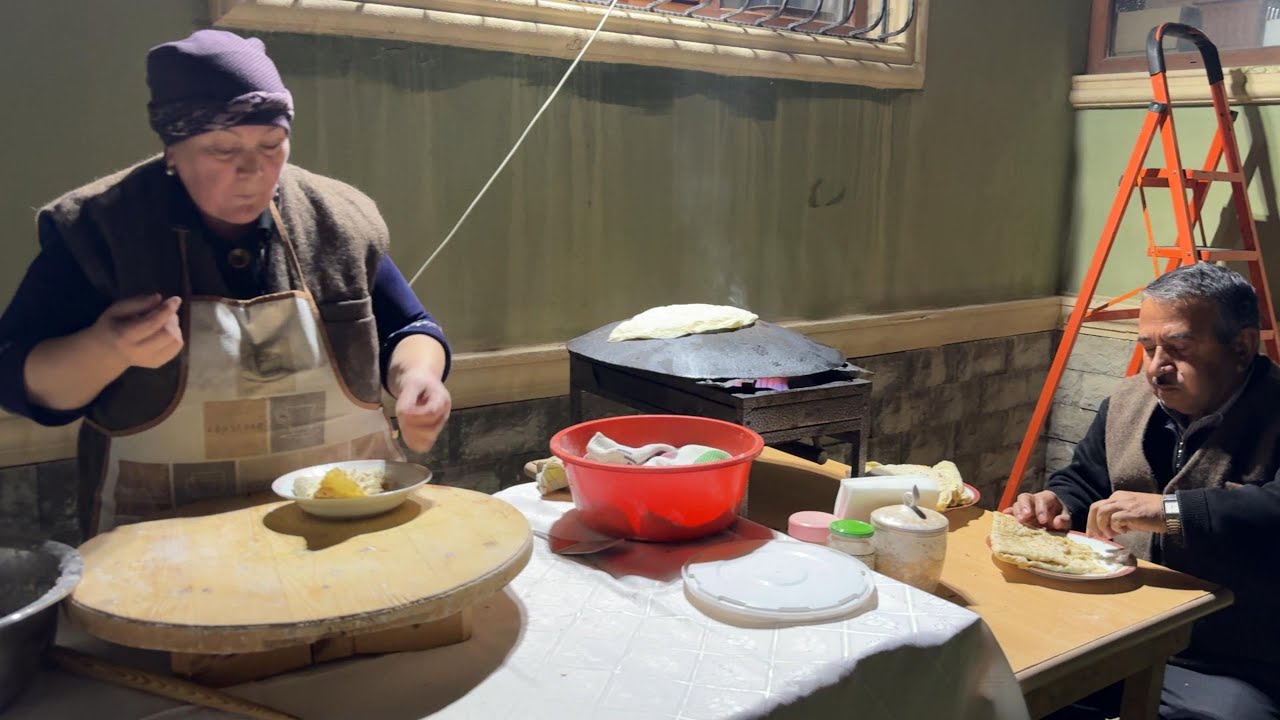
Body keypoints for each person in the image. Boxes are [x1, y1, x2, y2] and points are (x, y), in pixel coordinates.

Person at [0, 29, 452, 536]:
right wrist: (107, 350)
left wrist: (417, 377)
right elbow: (13, 375)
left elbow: (409, 326)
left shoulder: (336, 221)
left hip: (337, 524)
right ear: (172, 149)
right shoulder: (102, 230)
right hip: (162, 537)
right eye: (221, 148)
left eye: (272, 144)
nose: (253, 170)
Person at [1008, 263, 1280, 719]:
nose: (1156, 368)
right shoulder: (1127, 402)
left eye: (1177, 348)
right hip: (1113, 626)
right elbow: (1084, 479)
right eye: (1148, 347)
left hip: (1227, 656)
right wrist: (1057, 502)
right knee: (1006, 686)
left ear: (1242, 347)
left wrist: (1170, 511)